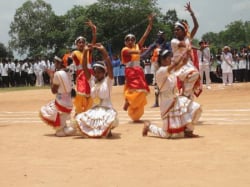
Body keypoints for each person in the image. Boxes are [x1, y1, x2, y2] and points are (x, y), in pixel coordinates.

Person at [142, 49, 202, 138]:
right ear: (163, 60)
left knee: (196, 109)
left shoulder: (171, 71)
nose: (171, 59)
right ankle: (149, 127)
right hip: (167, 103)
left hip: (176, 99)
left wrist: (187, 65)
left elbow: (181, 71)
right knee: (169, 135)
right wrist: (181, 58)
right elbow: (174, 66)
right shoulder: (160, 71)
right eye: (169, 57)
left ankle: (188, 130)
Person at [74, 43, 118, 138]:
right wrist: (85, 52)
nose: (97, 74)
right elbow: (84, 67)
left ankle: (106, 129)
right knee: (79, 120)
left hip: (107, 110)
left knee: (105, 131)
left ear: (104, 72)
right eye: (95, 72)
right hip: (94, 110)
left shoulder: (108, 81)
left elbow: (110, 67)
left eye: (99, 72)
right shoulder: (92, 82)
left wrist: (104, 51)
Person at [121, 14, 153, 122]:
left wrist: (150, 23)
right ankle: (128, 100)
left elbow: (145, 35)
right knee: (135, 88)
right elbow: (133, 52)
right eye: (128, 40)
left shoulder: (137, 46)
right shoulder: (124, 49)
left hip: (139, 70)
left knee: (143, 90)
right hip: (130, 71)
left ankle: (134, 108)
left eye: (132, 39)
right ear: (125, 42)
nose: (130, 41)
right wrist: (144, 50)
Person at [171, 2, 201, 100]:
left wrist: (191, 13)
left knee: (190, 98)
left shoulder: (187, 38)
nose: (175, 32)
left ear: (184, 31)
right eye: (175, 30)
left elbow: (196, 26)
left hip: (188, 65)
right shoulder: (174, 41)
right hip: (179, 67)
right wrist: (193, 47)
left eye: (178, 30)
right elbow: (185, 45)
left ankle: (186, 95)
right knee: (194, 74)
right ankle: (184, 93)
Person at [40, 56, 75, 137]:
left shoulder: (58, 74)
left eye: (55, 62)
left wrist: (51, 76)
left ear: (60, 63)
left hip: (61, 103)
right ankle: (66, 127)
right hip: (69, 102)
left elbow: (53, 91)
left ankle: (72, 128)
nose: (54, 64)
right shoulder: (70, 71)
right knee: (62, 125)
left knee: (60, 133)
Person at [71, 20, 97, 115]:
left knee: (90, 94)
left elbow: (93, 41)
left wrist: (93, 29)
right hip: (81, 75)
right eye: (79, 42)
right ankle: (78, 111)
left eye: (83, 42)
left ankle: (89, 111)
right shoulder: (74, 53)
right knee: (81, 93)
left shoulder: (88, 51)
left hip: (90, 75)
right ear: (76, 44)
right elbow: (70, 60)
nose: (81, 44)